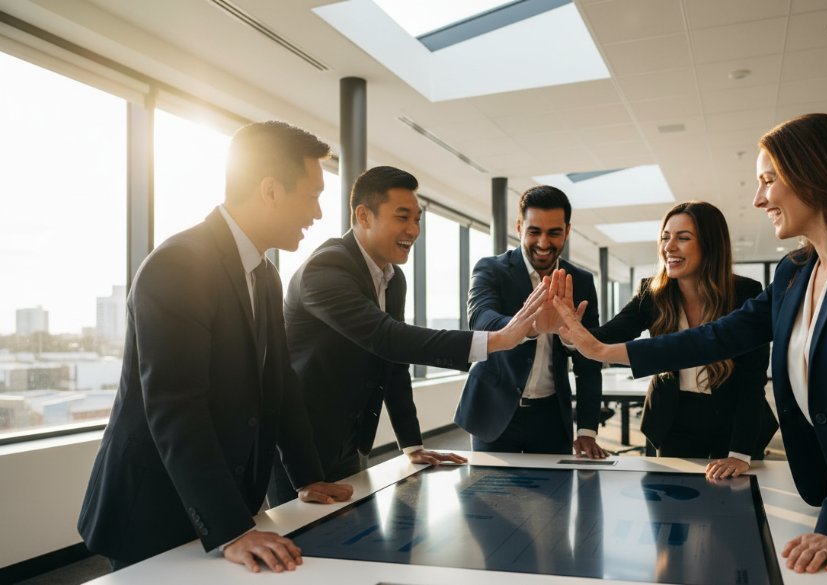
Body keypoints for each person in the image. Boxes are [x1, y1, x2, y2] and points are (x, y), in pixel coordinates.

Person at [549, 113, 827, 584]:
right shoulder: (795, 272)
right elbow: (716, 336)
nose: (758, 197)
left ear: (815, 173)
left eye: (769, 180)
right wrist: (598, 349)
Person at [77, 121, 354, 573]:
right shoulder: (178, 265)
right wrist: (231, 529)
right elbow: (176, 407)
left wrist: (308, 477)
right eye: (312, 195)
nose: (318, 214)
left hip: (221, 501)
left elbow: (279, 383)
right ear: (269, 190)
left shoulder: (265, 275)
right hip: (153, 508)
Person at [268, 166, 549, 505]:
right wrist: (500, 339)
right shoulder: (325, 269)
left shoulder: (392, 279)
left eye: (418, 219)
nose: (413, 230)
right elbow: (388, 338)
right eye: (403, 217)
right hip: (297, 448)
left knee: (353, 544)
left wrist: (412, 445)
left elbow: (393, 361)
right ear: (363, 215)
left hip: (349, 441)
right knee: (301, 551)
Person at [593, 201, 776, 477]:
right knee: (670, 507)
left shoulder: (744, 293)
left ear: (710, 245)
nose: (669, 246)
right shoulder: (652, 292)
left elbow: (752, 380)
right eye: (665, 237)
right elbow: (606, 337)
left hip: (734, 417)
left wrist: (739, 454)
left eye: (683, 238)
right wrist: (569, 328)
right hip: (672, 418)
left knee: (732, 509)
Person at [455, 185, 607, 458]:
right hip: (494, 410)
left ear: (567, 231)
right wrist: (531, 326)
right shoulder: (490, 269)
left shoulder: (581, 281)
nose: (544, 243)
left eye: (554, 232)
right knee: (491, 498)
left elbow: (589, 362)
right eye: (534, 231)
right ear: (519, 227)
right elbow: (481, 320)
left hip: (551, 417)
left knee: (555, 499)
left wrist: (586, 429)